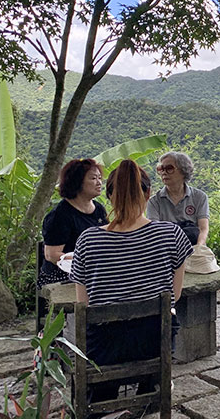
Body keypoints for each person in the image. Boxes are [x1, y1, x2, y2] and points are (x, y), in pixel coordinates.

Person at [70, 159, 192, 400]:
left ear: (109, 196)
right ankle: (152, 385)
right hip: (154, 344)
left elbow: (84, 304)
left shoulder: (88, 240)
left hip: (104, 351)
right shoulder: (171, 234)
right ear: (148, 194)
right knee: (168, 317)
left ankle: (102, 397)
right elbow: (174, 296)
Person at [38, 159, 108, 287]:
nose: (99, 183)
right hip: (61, 276)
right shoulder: (60, 215)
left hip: (93, 272)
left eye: (99, 178)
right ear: (77, 182)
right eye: (93, 178)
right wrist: (83, 263)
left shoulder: (99, 210)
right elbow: (52, 255)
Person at [145, 151, 209, 248]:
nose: (164, 172)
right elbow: (154, 233)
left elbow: (203, 228)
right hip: (167, 251)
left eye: (169, 168)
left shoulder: (199, 197)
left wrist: (199, 248)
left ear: (183, 171)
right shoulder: (154, 202)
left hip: (195, 248)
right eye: (161, 169)